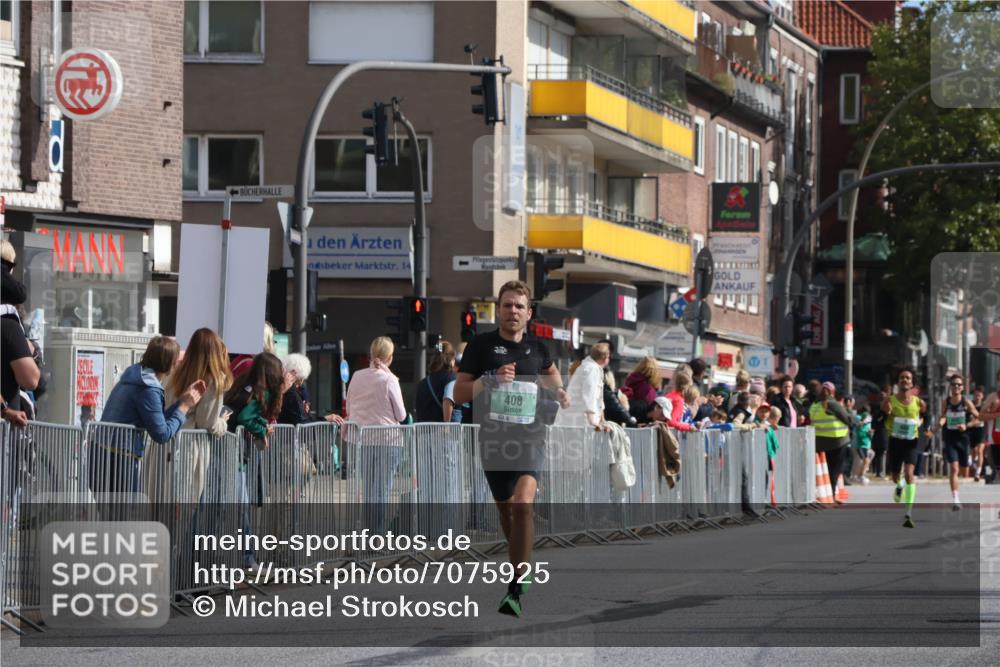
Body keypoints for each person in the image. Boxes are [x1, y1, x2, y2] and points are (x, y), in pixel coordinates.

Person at [453, 280, 570, 617]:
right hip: (494, 440)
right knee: (506, 512)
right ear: (499, 309)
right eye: (507, 305)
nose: (513, 311)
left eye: (519, 306)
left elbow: (552, 378)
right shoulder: (480, 346)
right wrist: (489, 380)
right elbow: (460, 393)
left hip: (530, 438)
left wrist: (561, 393)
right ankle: (520, 563)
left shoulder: (538, 349)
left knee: (522, 505)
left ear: (529, 313)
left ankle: (517, 583)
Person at [93, 337, 205, 493]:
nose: (178, 364)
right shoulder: (148, 388)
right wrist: (185, 406)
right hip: (119, 457)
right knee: (123, 515)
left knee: (110, 515)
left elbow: (158, 420)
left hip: (100, 452)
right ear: (168, 363)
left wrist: (182, 401)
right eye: (176, 361)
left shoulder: (134, 377)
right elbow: (162, 434)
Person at [156, 328, 234, 502]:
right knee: (182, 507)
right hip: (189, 448)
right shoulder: (212, 379)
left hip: (166, 443)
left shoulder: (175, 371)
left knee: (162, 504)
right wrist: (222, 422)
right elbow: (207, 422)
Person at [346, 336, 408, 535]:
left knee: (370, 491)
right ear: (389, 357)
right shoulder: (389, 379)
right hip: (387, 440)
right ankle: (377, 534)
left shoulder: (356, 376)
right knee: (382, 489)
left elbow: (349, 406)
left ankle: (369, 532)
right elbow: (401, 414)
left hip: (362, 439)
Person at [881, 367, 927, 527]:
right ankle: (899, 485)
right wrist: (886, 413)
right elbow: (880, 418)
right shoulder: (889, 401)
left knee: (909, 474)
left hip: (911, 442)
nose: (905, 380)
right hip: (895, 441)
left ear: (913, 382)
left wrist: (921, 423)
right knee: (895, 477)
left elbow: (923, 418)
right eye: (902, 378)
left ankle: (908, 513)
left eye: (908, 378)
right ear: (898, 381)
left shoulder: (919, 403)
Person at [925, 374, 978, 510]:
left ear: (962, 388)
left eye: (959, 384)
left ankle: (970, 461)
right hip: (950, 439)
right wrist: (934, 430)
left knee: (964, 471)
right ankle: (956, 499)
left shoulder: (966, 402)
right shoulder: (946, 402)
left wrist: (967, 425)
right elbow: (943, 417)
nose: (956, 386)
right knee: (954, 468)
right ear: (950, 386)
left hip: (963, 439)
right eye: (954, 384)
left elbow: (978, 418)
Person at [809, 382, 852, 502]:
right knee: (835, 471)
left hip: (820, 442)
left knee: (825, 471)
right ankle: (831, 496)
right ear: (832, 392)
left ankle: (826, 495)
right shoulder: (832, 404)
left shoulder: (815, 405)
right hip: (837, 441)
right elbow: (849, 419)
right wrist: (848, 408)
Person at [278, 353, 345, 427]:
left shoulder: (282, 390)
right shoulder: (292, 394)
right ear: (294, 373)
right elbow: (304, 423)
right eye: (301, 378)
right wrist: (326, 418)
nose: (301, 382)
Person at [555, 342, 610, 430]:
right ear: (604, 358)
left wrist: (602, 421)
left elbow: (599, 399)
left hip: (574, 421)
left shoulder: (589, 367)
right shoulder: (592, 369)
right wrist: (592, 421)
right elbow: (589, 394)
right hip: (579, 423)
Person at [415, 341, 458, 423]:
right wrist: (447, 427)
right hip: (441, 433)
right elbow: (448, 400)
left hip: (422, 432)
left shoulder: (422, 383)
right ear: (451, 359)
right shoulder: (450, 378)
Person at [849, 407, 874, 485]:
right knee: (863, 460)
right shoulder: (859, 419)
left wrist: (870, 434)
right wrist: (863, 423)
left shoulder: (868, 421)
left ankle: (861, 474)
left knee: (871, 455)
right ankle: (859, 475)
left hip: (866, 443)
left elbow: (868, 432)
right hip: (860, 444)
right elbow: (859, 430)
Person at [968, 386, 986, 481]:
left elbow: (982, 418)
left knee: (980, 451)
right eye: (975, 395)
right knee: (973, 451)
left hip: (981, 430)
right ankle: (974, 465)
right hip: (971, 430)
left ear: (982, 396)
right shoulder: (970, 405)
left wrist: (973, 422)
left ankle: (978, 472)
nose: (977, 397)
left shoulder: (984, 406)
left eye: (979, 395)